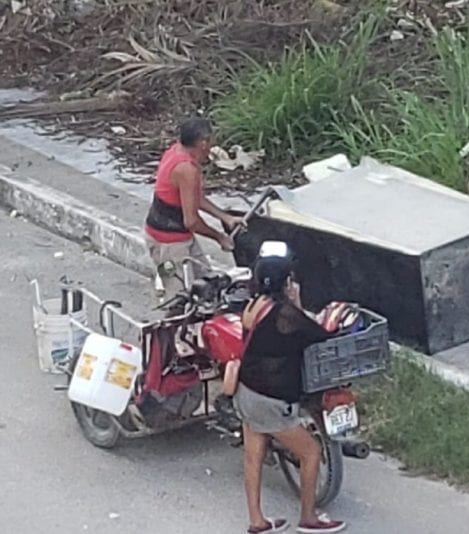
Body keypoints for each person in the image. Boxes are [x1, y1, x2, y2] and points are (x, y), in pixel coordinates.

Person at [224, 241, 347, 534]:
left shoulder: (253, 306)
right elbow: (318, 333)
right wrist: (299, 300)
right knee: (311, 452)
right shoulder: (284, 314)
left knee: (253, 456)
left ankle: (257, 521)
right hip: (271, 399)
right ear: (286, 281)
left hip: (247, 391)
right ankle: (309, 517)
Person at [144, 117, 242, 298]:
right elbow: (191, 221)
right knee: (176, 297)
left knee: (207, 284)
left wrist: (224, 217)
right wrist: (219, 237)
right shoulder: (187, 169)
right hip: (170, 244)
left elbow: (194, 197)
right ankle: (171, 319)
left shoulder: (175, 151)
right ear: (203, 143)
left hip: (163, 235)